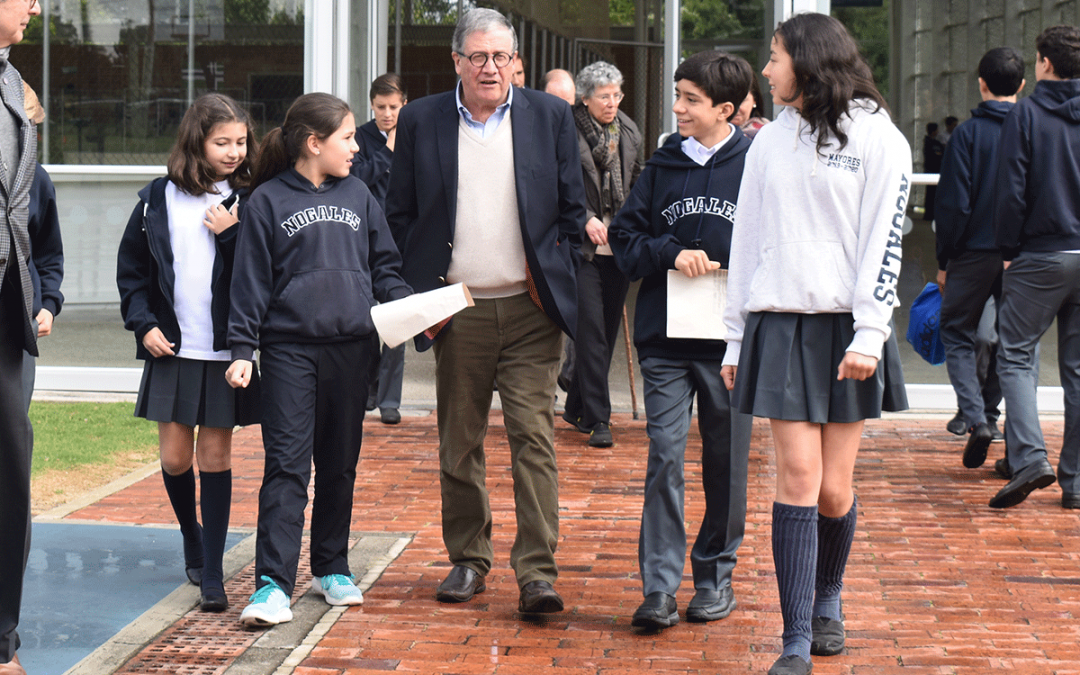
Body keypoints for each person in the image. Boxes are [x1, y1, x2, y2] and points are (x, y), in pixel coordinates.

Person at [720, 13, 911, 675]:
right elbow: (746, 238)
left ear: (807, 61)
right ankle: (796, 638)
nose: (766, 70)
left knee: (834, 490)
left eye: (774, 57)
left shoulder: (879, 137)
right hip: (779, 322)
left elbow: (885, 241)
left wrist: (869, 331)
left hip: (846, 329)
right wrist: (735, 336)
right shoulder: (767, 142)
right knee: (797, 479)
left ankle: (830, 592)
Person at [384, 8, 587, 614]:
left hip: (530, 311)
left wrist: (553, 277)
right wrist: (423, 298)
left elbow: (573, 212)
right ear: (457, 62)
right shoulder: (421, 119)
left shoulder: (549, 116)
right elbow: (400, 214)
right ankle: (468, 561)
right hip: (459, 311)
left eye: (501, 57)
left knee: (534, 439)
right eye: (479, 57)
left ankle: (536, 574)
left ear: (514, 62)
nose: (491, 68)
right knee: (459, 443)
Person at [227, 92, 412, 626]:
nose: (357, 147)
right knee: (286, 467)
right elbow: (250, 283)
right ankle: (271, 586)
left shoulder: (358, 194)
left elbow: (385, 267)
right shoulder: (265, 201)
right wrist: (243, 349)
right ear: (314, 143)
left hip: (352, 351)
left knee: (339, 465)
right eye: (348, 137)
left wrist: (413, 307)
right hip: (288, 351)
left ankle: (331, 567)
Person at [609, 49, 753, 633]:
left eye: (690, 99)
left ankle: (715, 577)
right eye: (679, 96)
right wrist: (671, 252)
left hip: (729, 345)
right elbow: (625, 238)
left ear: (726, 109)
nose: (677, 108)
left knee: (725, 462)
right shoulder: (662, 165)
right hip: (665, 339)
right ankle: (659, 588)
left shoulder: (756, 165)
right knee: (664, 456)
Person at [117, 93, 260, 613]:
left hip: (224, 352)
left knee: (215, 458)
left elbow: (256, 275)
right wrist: (144, 325)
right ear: (196, 140)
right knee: (176, 458)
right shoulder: (157, 198)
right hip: (172, 351)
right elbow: (131, 274)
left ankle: (215, 572)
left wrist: (232, 234)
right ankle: (190, 536)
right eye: (223, 142)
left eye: (241, 142)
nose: (234, 151)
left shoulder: (249, 198)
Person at [991, 25, 1080, 510]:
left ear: (1044, 63)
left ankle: (1029, 458)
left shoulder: (1026, 113)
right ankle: (1078, 482)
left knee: (1017, 355)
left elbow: (1012, 189)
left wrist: (1008, 247)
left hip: (1041, 253)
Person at [935, 46, 1024, 469]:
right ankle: (990, 415)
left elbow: (953, 205)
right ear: (1022, 86)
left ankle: (974, 417)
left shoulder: (966, 135)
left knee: (956, 332)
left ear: (981, 84)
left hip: (972, 253)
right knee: (1011, 343)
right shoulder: (1033, 132)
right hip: (1020, 258)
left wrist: (944, 259)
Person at [0, 1, 49, 672]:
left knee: (10, 471)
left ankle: (2, 637)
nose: (36, 5)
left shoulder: (13, 81)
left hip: (9, 313)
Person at [561, 61, 641, 448]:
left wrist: (633, 225)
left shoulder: (628, 130)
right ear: (585, 97)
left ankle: (576, 406)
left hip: (618, 245)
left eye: (617, 95)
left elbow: (638, 181)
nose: (612, 102)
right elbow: (560, 185)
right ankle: (598, 420)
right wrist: (586, 218)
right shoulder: (566, 128)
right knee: (590, 333)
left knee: (605, 335)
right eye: (604, 96)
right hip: (583, 248)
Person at [351, 73, 408, 425]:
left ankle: (390, 400)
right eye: (381, 107)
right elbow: (356, 179)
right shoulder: (360, 136)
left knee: (398, 320)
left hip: (400, 238)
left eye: (394, 107)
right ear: (371, 105)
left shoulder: (413, 134)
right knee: (367, 319)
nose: (387, 114)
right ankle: (368, 389)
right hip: (363, 238)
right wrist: (387, 151)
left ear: (404, 103)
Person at [22, 84, 64, 410]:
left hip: (20, 328)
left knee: (12, 431)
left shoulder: (38, 180)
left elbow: (48, 252)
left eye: (33, 127)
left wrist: (48, 304)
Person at [731, 75, 769, 139]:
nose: (735, 107)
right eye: (729, 100)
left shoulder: (764, 135)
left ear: (754, 100)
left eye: (742, 100)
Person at [922, 122, 945, 221]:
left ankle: (932, 214)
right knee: (931, 193)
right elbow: (935, 156)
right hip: (931, 170)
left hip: (936, 171)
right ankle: (928, 214)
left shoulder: (936, 143)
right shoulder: (928, 142)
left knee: (935, 193)